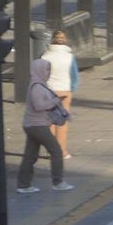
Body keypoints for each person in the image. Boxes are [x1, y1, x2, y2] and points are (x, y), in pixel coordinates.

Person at [18, 58, 72, 194]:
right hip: (37, 126)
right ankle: (58, 182)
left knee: (30, 155)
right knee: (56, 151)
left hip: (33, 125)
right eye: (47, 69)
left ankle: (24, 185)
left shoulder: (38, 85)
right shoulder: (36, 87)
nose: (48, 72)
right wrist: (55, 101)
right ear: (39, 70)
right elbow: (39, 106)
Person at [43, 30, 79, 161]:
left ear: (52, 40)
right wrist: (71, 89)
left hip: (48, 91)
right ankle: (62, 151)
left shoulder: (45, 56)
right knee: (62, 123)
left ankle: (50, 151)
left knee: (50, 122)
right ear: (65, 40)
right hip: (64, 91)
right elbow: (74, 77)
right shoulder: (69, 57)